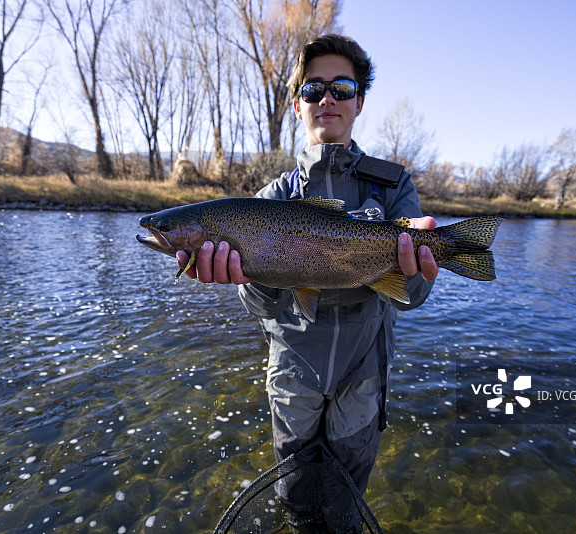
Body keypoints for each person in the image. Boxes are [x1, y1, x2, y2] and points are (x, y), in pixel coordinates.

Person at [178, 34, 438, 528]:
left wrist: (417, 267)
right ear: (297, 105)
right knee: (296, 498)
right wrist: (251, 277)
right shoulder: (268, 200)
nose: (328, 99)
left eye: (342, 87)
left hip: (364, 371)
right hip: (293, 372)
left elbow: (411, 298)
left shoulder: (392, 185)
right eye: (313, 89)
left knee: (343, 504)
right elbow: (263, 308)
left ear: (359, 101)